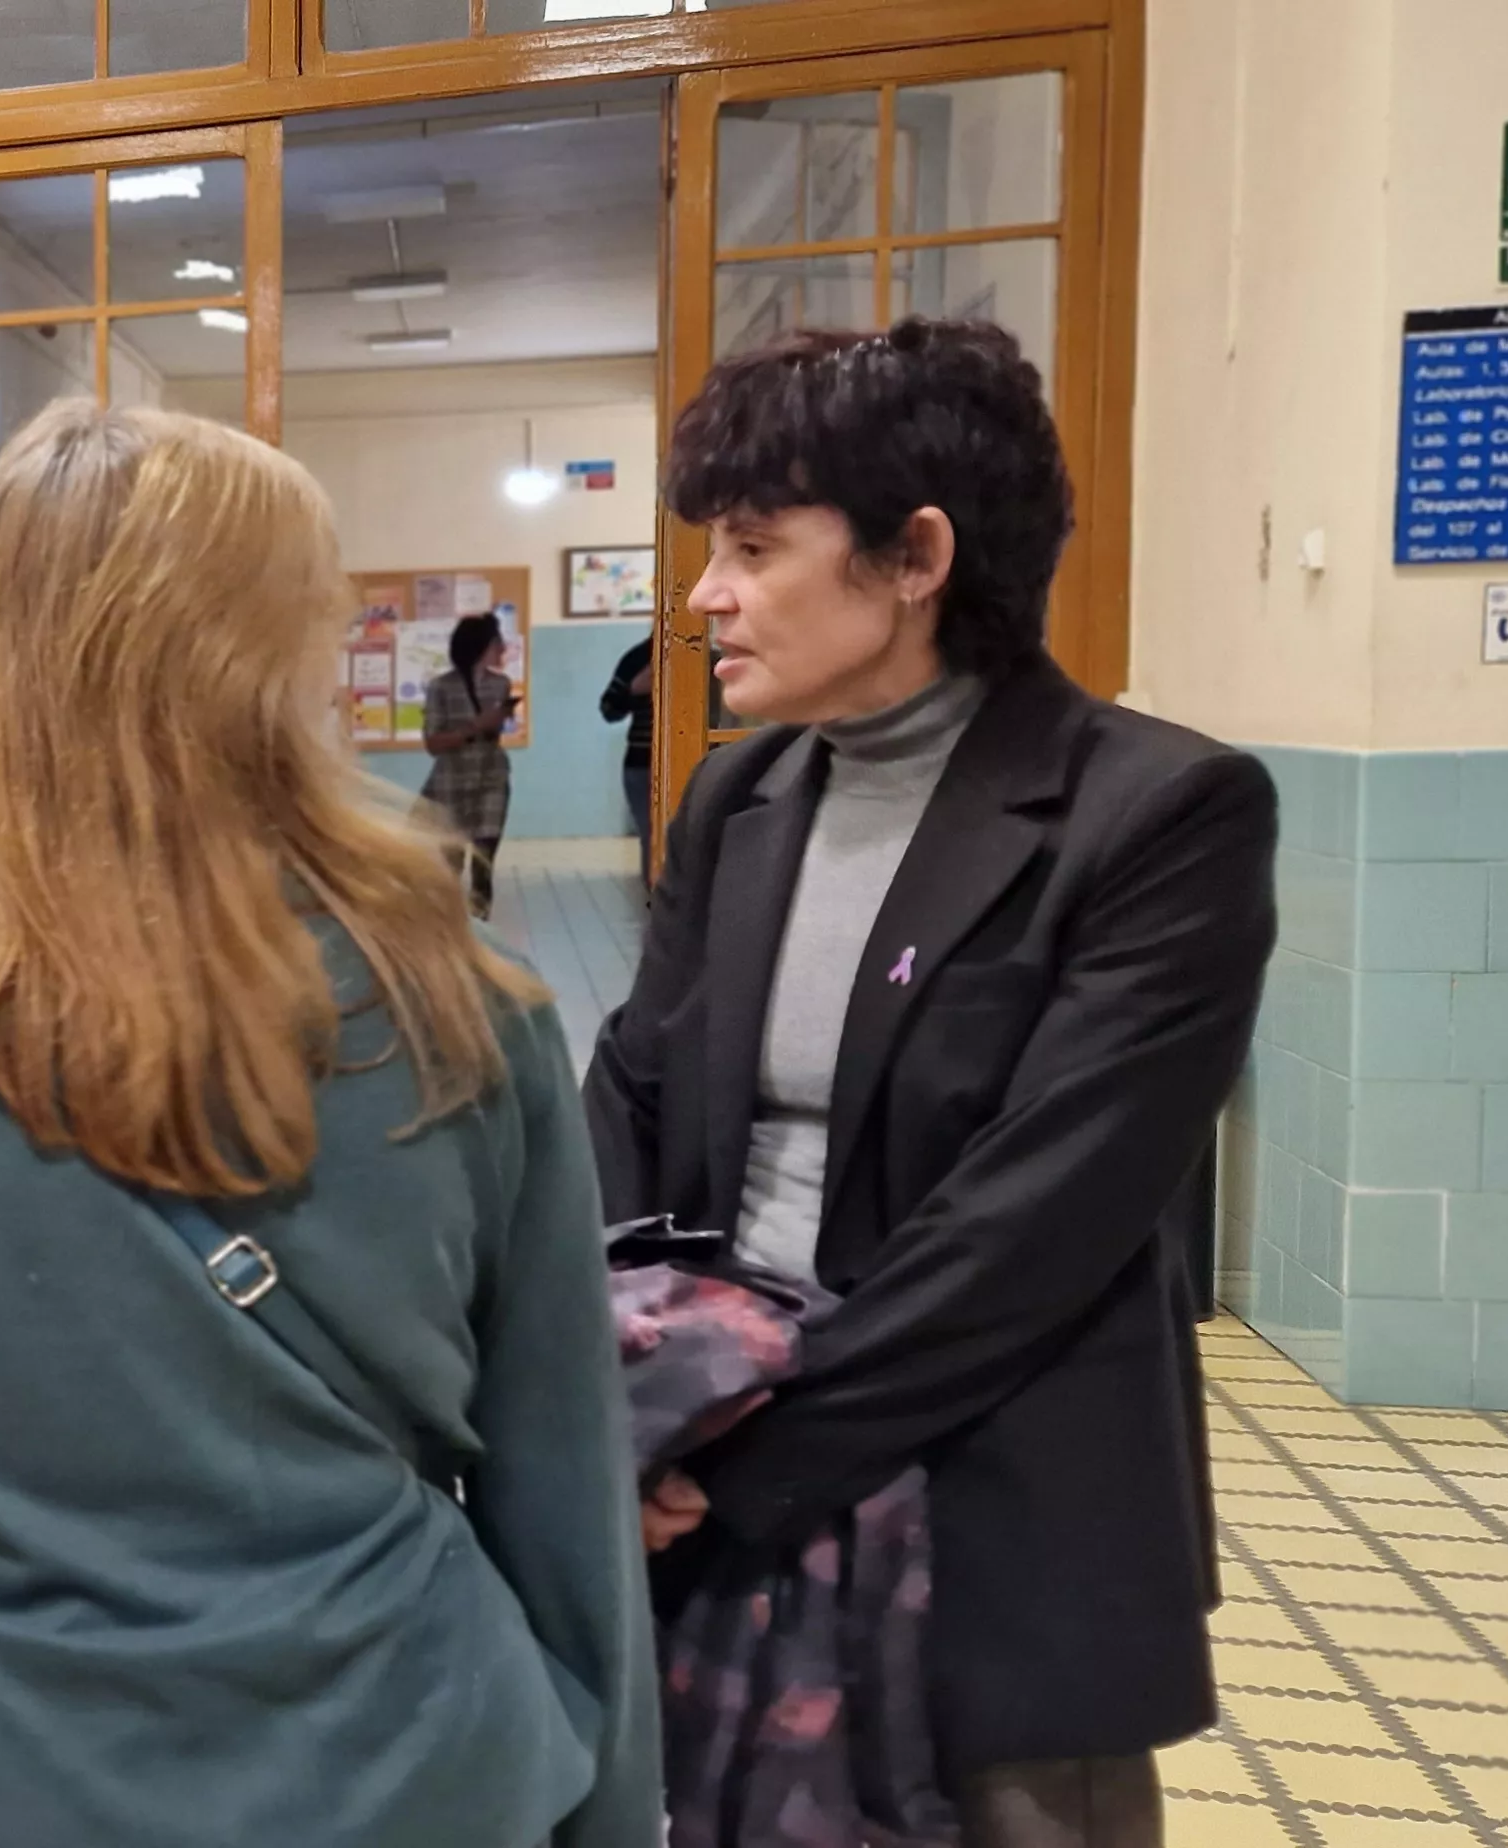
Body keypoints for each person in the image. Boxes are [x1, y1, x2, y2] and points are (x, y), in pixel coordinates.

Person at [0, 401, 658, 1848]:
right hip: (402, 1756)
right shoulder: (463, 997)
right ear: (282, 648)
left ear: (5, 647)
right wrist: (605, 1810)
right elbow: (565, 1484)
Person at [586, 320, 1276, 1846]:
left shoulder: (1156, 813)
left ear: (915, 557)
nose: (704, 597)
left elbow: (1034, 1229)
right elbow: (632, 1091)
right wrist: (616, 1414)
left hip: (991, 1507)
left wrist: (741, 1459)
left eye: (753, 547)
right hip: (714, 1481)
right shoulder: (739, 793)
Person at [422, 611, 515, 915]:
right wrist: (475, 726)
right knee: (451, 862)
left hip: (491, 775)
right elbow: (433, 743)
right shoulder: (440, 687)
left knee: (484, 856)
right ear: (482, 645)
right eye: (497, 641)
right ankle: (452, 924)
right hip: (451, 780)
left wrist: (497, 720)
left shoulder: (501, 684)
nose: (503, 648)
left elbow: (494, 733)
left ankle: (480, 921)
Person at [599, 635, 655, 874]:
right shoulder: (638, 657)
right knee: (653, 838)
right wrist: (633, 690)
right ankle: (657, 894)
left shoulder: (705, 656)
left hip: (699, 761)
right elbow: (608, 708)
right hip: (642, 765)